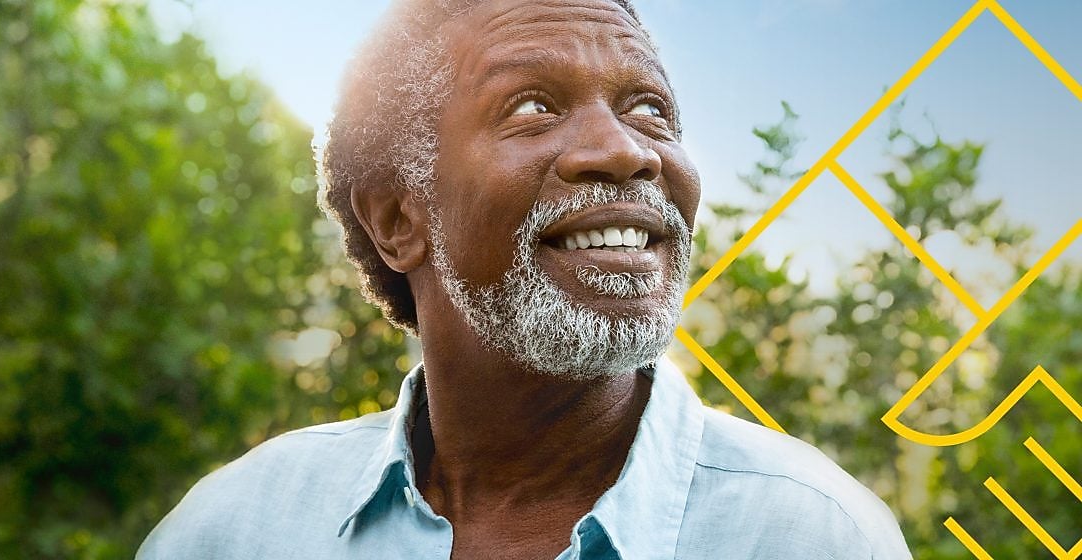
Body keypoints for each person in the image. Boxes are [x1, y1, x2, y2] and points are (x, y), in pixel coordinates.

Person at [139, 0, 912, 557]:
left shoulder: (808, 534)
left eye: (649, 110)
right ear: (397, 219)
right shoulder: (235, 531)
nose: (626, 151)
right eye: (533, 106)